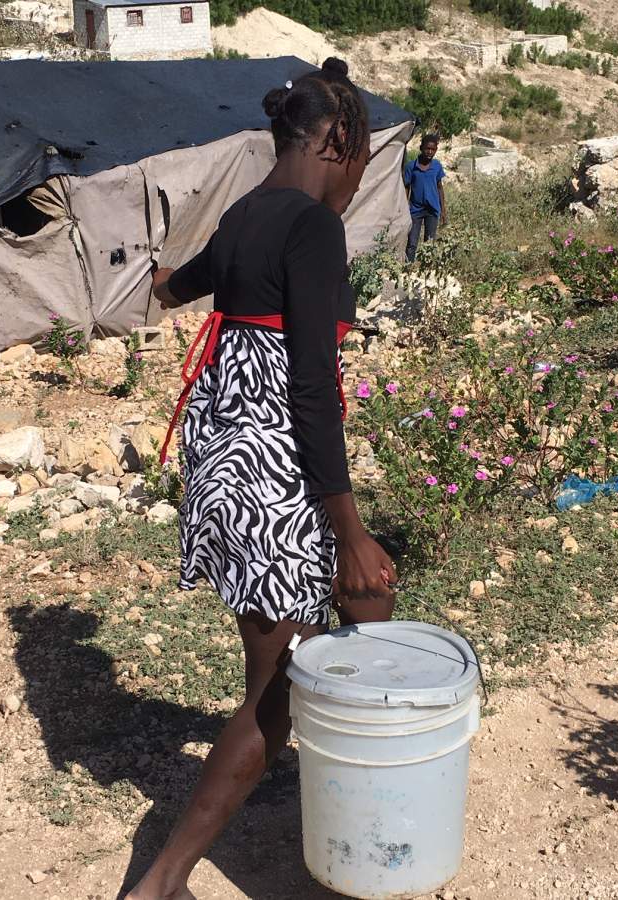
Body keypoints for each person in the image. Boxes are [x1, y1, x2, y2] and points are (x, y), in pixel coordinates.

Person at [124, 58, 397, 900]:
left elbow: (184, 285)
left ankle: (304, 774)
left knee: (280, 655)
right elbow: (312, 385)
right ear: (338, 141)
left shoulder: (246, 213)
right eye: (361, 161)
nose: (357, 180)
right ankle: (161, 880)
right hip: (278, 468)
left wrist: (163, 278)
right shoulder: (312, 229)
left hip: (223, 464)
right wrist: (349, 531)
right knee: (356, 613)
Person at [403, 133, 447, 263]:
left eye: (433, 149)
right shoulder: (411, 167)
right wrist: (405, 207)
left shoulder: (437, 166)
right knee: (412, 243)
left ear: (436, 150)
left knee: (429, 242)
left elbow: (440, 187)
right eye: (427, 148)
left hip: (432, 210)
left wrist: (443, 210)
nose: (429, 152)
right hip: (415, 210)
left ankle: (426, 268)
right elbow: (407, 187)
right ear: (421, 148)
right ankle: (408, 269)